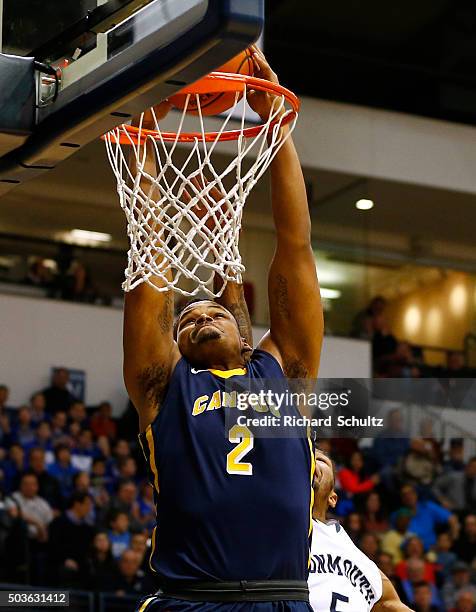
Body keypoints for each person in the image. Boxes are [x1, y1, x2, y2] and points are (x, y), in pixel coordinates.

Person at [128, 47, 323, 610]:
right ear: (178, 347)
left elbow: (296, 249)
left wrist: (278, 131)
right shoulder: (165, 387)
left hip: (283, 598)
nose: (199, 314)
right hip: (191, 598)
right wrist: (143, 158)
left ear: (246, 335)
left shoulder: (285, 371)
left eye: (211, 310)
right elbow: (149, 270)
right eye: (186, 320)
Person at [308, 450, 412, 611]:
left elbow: (389, 603)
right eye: (306, 460)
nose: (312, 463)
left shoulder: (354, 554)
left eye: (320, 460)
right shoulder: (281, 527)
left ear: (333, 498)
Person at [48, 492, 94, 587]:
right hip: (60, 562)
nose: (89, 508)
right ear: (77, 504)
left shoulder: (87, 527)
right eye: (87, 504)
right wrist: (64, 559)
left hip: (80, 564)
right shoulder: (59, 522)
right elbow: (53, 545)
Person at [395, 484, 458, 551]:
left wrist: (452, 540)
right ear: (402, 499)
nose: (408, 497)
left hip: (434, 550)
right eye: (405, 495)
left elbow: (452, 519)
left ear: (416, 494)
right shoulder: (399, 515)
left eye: (411, 493)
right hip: (411, 552)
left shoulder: (427, 507)